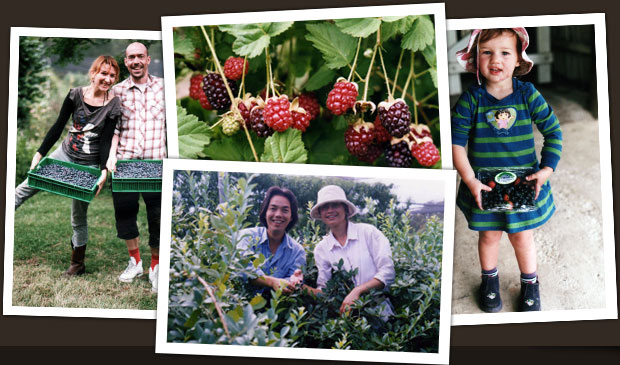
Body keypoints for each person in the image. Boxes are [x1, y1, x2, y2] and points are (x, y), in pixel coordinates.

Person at [452, 28, 563, 312]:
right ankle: (489, 280)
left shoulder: (527, 94)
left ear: (517, 60)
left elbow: (553, 132)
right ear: (476, 59)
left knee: (522, 237)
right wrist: (470, 180)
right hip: (485, 185)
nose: (495, 59)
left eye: (504, 52)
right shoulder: (471, 99)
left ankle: (530, 282)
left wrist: (546, 169)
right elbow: (457, 145)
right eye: (486, 52)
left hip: (523, 183)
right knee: (489, 235)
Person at [14, 55, 120, 276]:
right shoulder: (74, 95)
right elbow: (58, 126)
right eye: (103, 73)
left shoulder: (113, 104)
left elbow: (106, 140)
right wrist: (39, 154)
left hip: (88, 166)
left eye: (112, 75)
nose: (108, 79)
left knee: (78, 217)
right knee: (21, 190)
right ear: (93, 74)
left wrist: (103, 171)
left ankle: (77, 264)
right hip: (64, 154)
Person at [106, 42, 166, 293]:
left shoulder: (163, 87)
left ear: (148, 59)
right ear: (126, 62)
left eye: (140, 56)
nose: (136, 61)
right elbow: (114, 129)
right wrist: (111, 157)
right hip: (126, 163)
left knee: (157, 217)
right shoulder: (116, 91)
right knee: (125, 215)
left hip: (156, 163)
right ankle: (135, 262)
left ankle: (156, 266)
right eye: (131, 57)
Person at [307, 185, 395, 316]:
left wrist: (358, 291)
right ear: (320, 213)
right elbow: (325, 291)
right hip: (349, 319)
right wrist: (301, 288)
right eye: (325, 207)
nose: (330, 210)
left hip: (381, 313)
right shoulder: (321, 249)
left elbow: (388, 272)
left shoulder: (368, 233)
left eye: (335, 204)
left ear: (346, 209)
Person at [236, 186, 306, 294]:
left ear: (291, 216)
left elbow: (291, 281)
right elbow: (243, 268)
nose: (278, 215)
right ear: (265, 212)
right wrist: (271, 282)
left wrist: (294, 282)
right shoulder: (245, 237)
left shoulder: (297, 252)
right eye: (273, 208)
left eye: (285, 210)